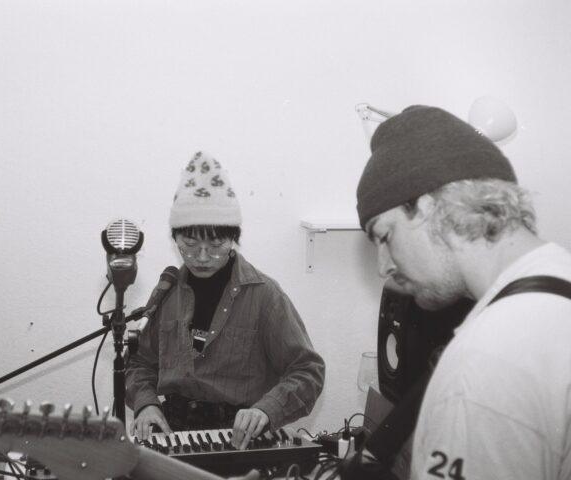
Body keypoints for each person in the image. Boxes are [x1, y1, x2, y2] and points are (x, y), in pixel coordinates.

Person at [355, 105, 571, 479]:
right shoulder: (558, 285)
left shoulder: (486, 362)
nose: (383, 267)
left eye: (385, 236)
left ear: (428, 207)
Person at [126, 151, 325, 450]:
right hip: (174, 431)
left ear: (233, 239)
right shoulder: (167, 292)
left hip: (240, 436)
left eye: (216, 244)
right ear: (175, 239)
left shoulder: (264, 295)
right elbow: (139, 362)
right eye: (190, 244)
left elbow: (308, 371)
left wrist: (266, 410)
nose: (202, 256)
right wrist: (146, 404)